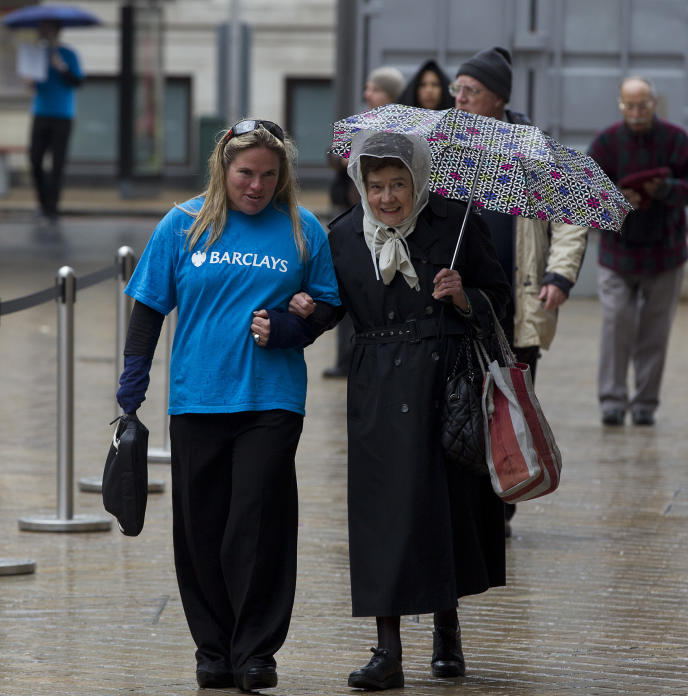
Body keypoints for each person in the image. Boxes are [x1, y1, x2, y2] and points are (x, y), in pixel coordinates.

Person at [115, 119, 340, 692]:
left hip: (272, 400)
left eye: (269, 174)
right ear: (222, 168)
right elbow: (146, 310)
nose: (257, 185)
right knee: (200, 526)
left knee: (257, 522)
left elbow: (329, 307)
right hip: (197, 398)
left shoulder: (301, 227)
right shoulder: (183, 223)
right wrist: (131, 389)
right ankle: (212, 649)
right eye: (246, 172)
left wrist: (291, 326)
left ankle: (256, 651)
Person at [289, 130, 510, 690]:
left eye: (399, 185)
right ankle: (387, 650)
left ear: (418, 182)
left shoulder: (456, 225)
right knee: (382, 516)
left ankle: (447, 630)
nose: (388, 198)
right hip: (377, 391)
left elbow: (499, 302)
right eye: (376, 185)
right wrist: (300, 315)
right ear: (361, 186)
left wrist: (464, 296)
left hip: (445, 384)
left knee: (444, 508)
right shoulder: (340, 237)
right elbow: (328, 311)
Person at [453, 46, 588, 533]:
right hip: (463, 298)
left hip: (519, 302)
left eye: (471, 91)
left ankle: (502, 502)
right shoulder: (450, 148)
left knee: (510, 402)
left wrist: (559, 276)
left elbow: (571, 218)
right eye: (458, 89)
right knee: (463, 403)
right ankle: (471, 502)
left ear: (497, 100)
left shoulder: (535, 151)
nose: (460, 98)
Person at [588, 76, 688, 426]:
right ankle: (612, 401)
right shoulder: (605, 143)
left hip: (666, 252)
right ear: (620, 105)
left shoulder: (677, 140)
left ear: (654, 103)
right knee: (617, 325)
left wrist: (665, 190)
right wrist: (619, 199)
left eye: (642, 105)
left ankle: (645, 404)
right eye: (629, 105)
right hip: (618, 252)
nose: (636, 112)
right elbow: (588, 192)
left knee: (655, 332)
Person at [324, 65, 406, 379]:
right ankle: (347, 356)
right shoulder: (360, 123)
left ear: (388, 93)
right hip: (352, 216)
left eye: (373, 88)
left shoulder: (398, 125)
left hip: (380, 223)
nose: (366, 94)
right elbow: (334, 155)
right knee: (347, 286)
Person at [27, 20, 83, 223]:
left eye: (49, 30)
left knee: (57, 163)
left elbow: (77, 81)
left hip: (63, 114)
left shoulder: (69, 54)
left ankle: (52, 208)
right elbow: (32, 84)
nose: (46, 34)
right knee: (35, 159)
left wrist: (61, 67)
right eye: (43, 30)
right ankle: (42, 204)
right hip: (41, 112)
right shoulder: (35, 55)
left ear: (57, 32)